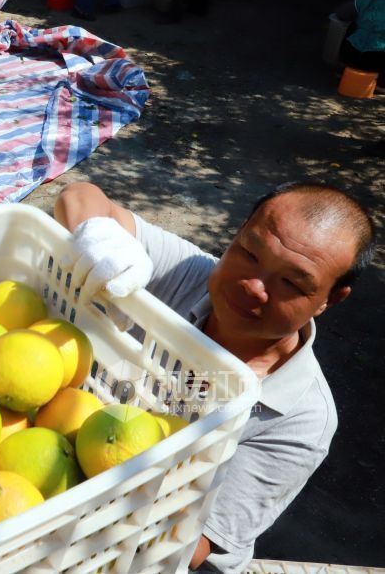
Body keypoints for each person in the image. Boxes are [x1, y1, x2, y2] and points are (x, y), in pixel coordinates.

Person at [54, 180, 375, 573]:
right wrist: (98, 237)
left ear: (329, 299)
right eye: (249, 252)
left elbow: (190, 545)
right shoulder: (189, 275)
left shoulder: (300, 418)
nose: (253, 286)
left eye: (291, 282)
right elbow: (80, 196)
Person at [334, 0, 385, 75]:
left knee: (354, 24)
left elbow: (342, 14)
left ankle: (344, 70)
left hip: (350, 52)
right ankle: (381, 83)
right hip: (378, 59)